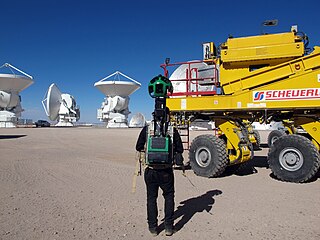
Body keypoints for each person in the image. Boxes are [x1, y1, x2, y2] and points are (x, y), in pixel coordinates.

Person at [135, 111, 184, 236]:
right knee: (168, 197)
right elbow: (180, 149)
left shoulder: (147, 129)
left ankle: (153, 228)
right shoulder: (172, 130)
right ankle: (168, 227)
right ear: (167, 116)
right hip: (166, 171)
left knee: (151, 198)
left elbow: (138, 146)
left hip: (150, 170)